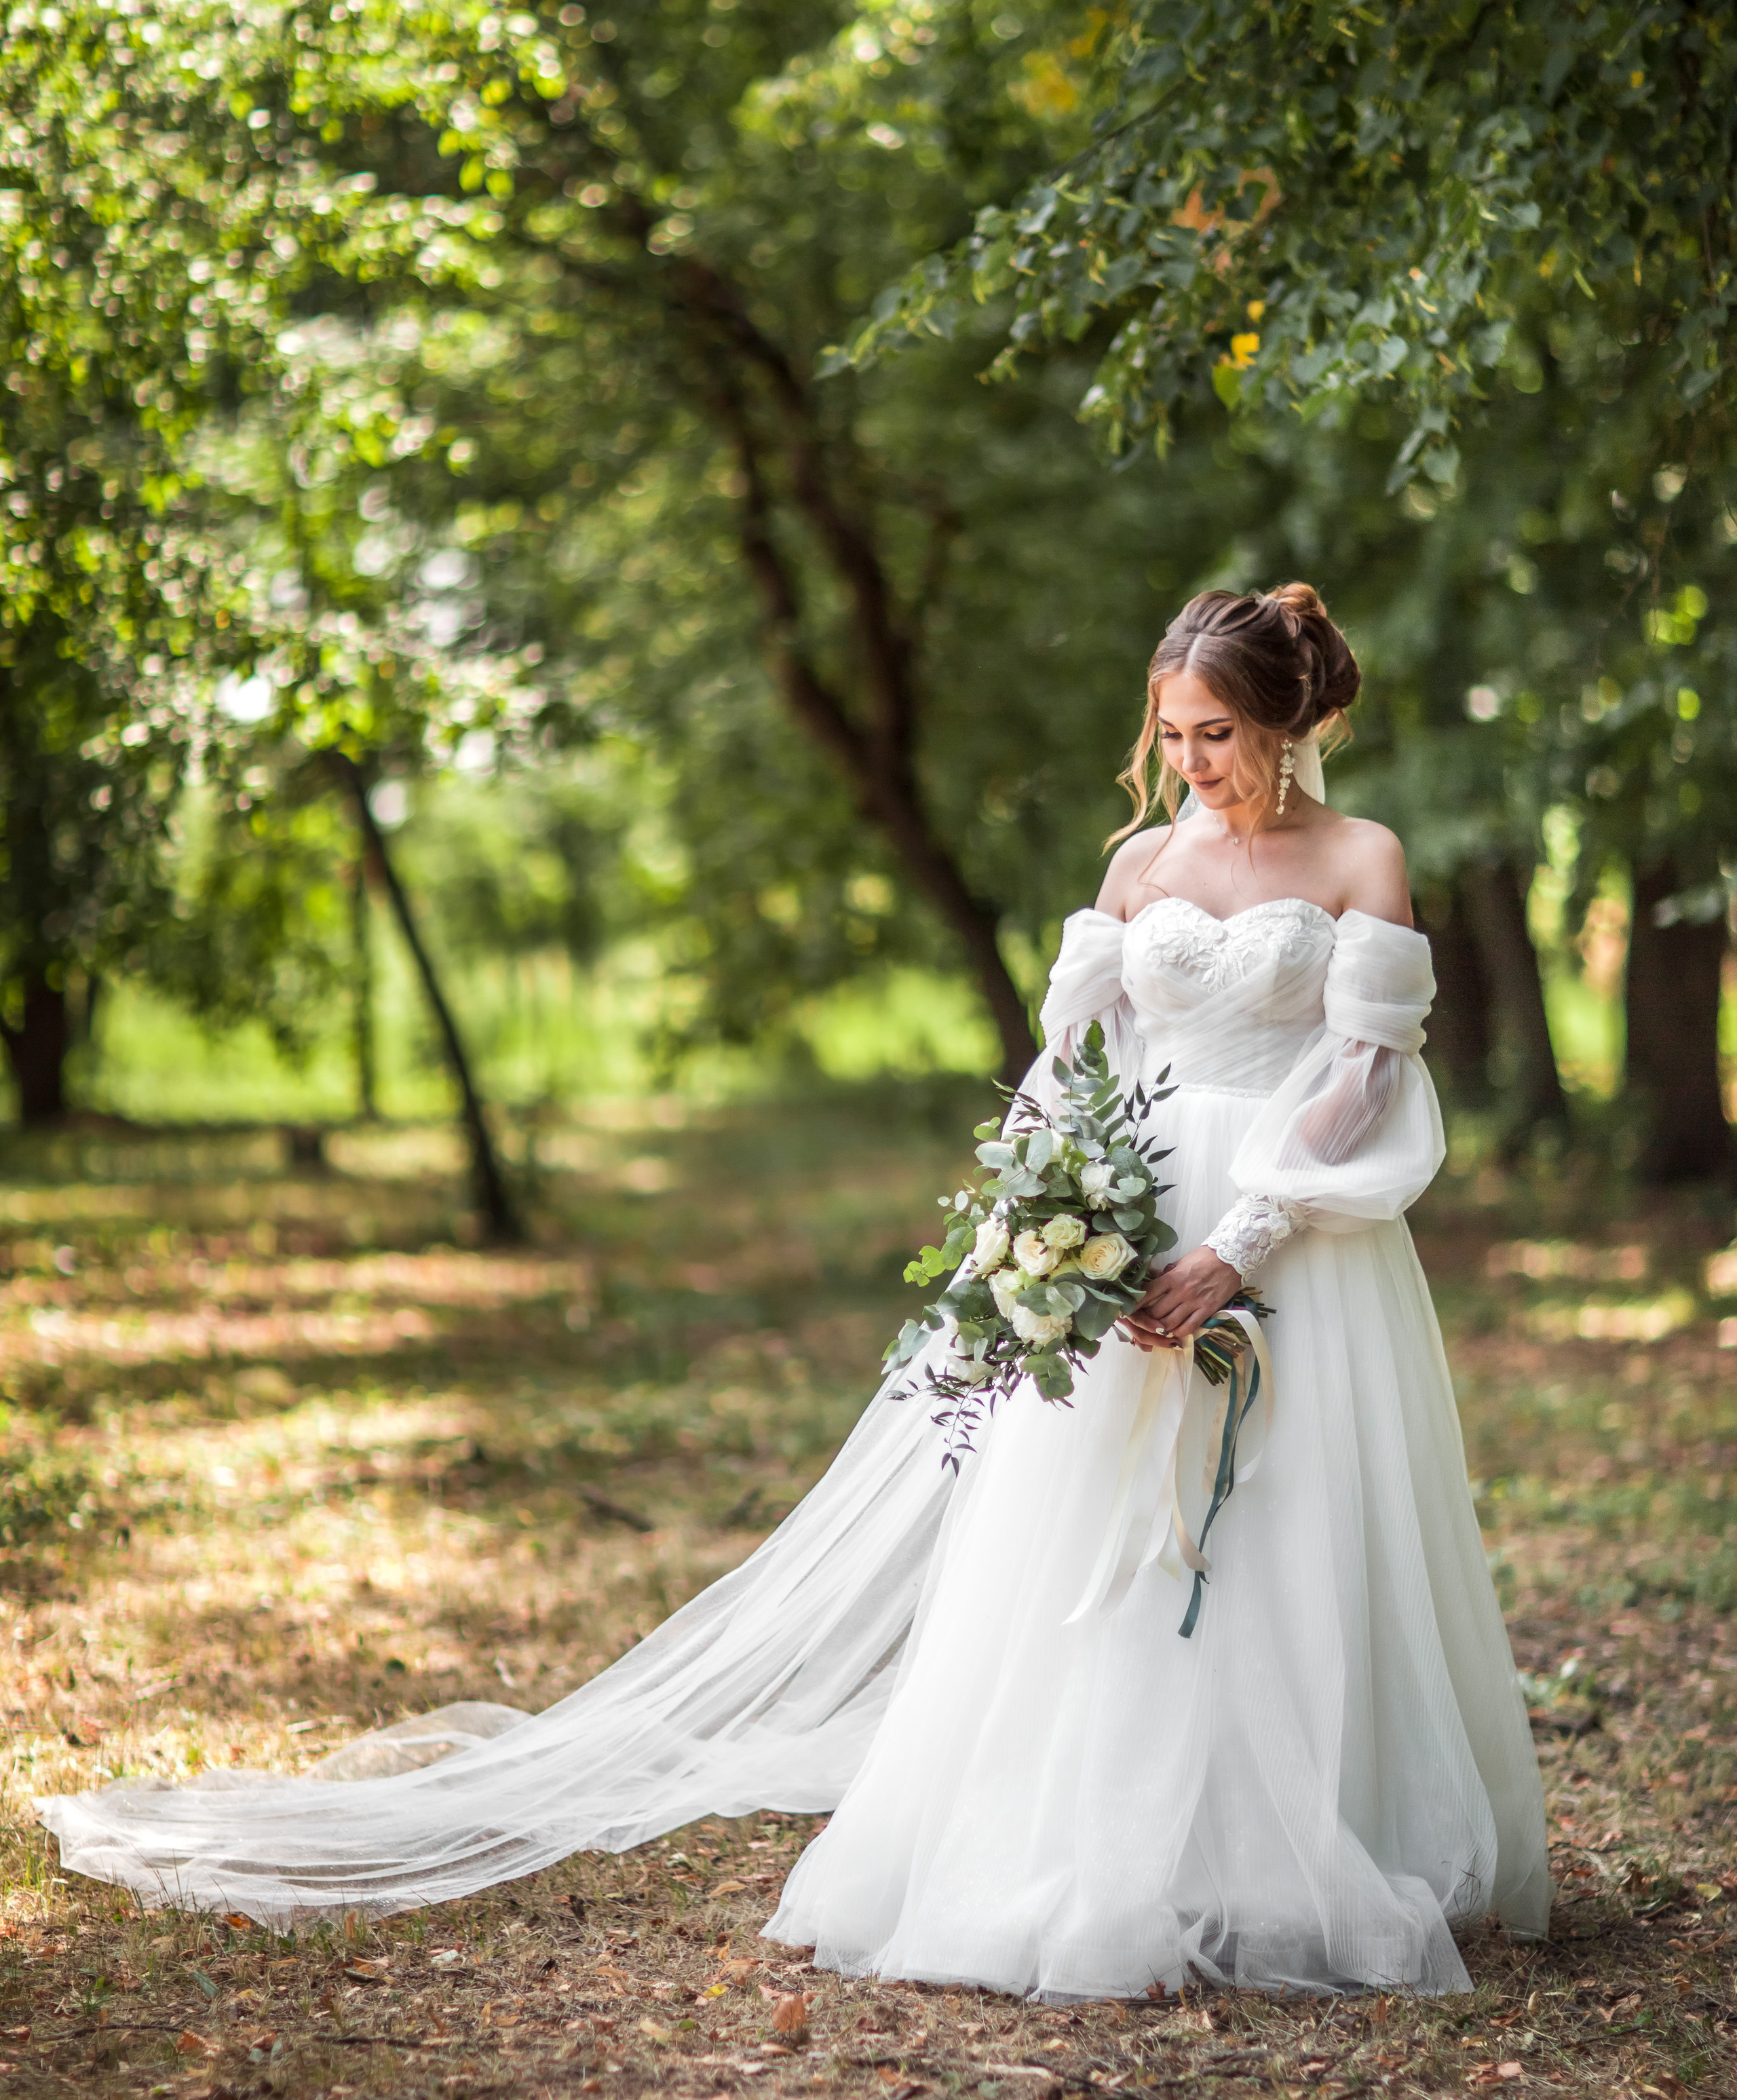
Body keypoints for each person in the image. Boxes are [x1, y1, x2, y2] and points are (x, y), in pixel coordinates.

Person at [42, 584, 1549, 1998]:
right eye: (1169, 734)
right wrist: (1038, 1223)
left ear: (1284, 722)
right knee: (1097, 1543)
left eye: (1214, 735)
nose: (1189, 764)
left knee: (1283, 1525)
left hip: (1287, 1223)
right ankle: (1095, 1841)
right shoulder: (1137, 868)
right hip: (1126, 1213)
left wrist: (1245, 1239)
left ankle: (1299, 1848)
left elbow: (1360, 1075)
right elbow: (1076, 1065)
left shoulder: (1361, 859)